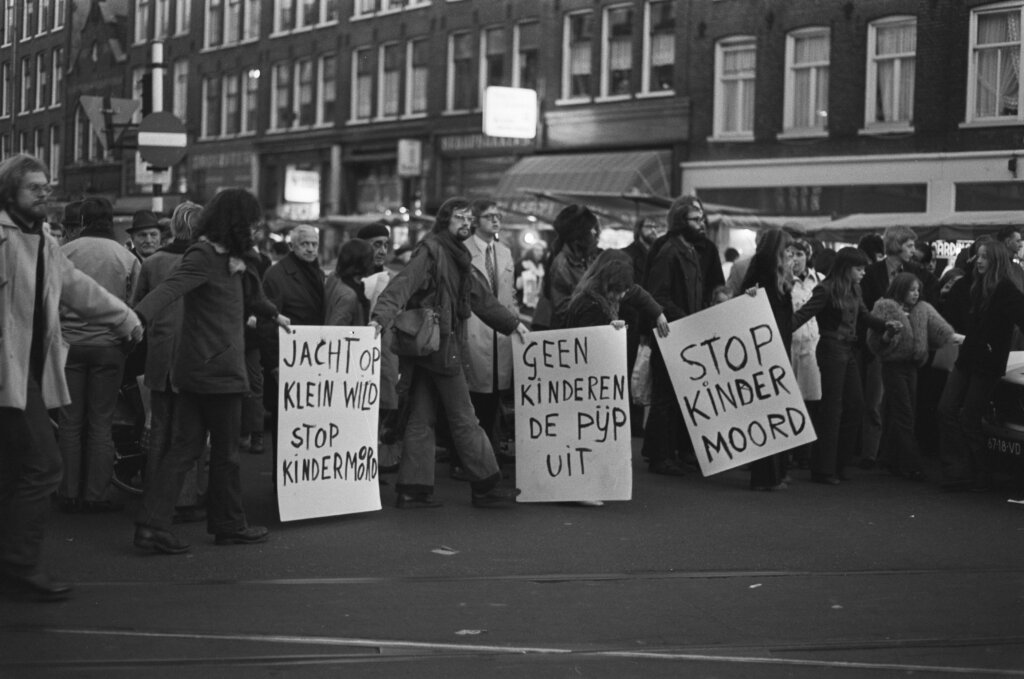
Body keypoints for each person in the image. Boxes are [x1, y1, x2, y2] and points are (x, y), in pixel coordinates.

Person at [0, 154, 142, 601]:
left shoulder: (40, 237)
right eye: (33, 188)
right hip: (8, 376)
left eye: (46, 186)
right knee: (43, 466)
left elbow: (75, 285)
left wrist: (124, 317)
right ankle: (20, 565)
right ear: (8, 194)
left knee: (14, 470)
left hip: (27, 373)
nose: (44, 193)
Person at [132, 188, 290, 554]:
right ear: (235, 222)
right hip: (214, 369)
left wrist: (273, 314)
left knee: (185, 448)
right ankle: (228, 524)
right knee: (225, 453)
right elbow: (172, 287)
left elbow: (250, 297)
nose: (255, 228)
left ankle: (153, 525)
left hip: (205, 368)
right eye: (250, 221)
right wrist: (136, 316)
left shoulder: (233, 257)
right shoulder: (204, 254)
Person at [369, 197, 529, 509]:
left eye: (469, 218)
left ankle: (413, 490)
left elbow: (478, 297)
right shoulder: (434, 251)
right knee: (465, 417)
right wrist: (379, 319)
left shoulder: (455, 253)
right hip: (441, 346)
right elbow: (403, 285)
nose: (466, 223)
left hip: (430, 347)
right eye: (460, 218)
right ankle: (486, 485)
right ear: (445, 220)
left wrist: (512, 325)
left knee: (421, 417)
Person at [56, 196, 142, 513]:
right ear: (111, 221)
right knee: (101, 423)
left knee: (70, 421)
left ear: (81, 221)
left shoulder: (62, 252)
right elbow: (133, 308)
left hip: (69, 346)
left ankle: (67, 491)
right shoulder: (126, 257)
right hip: (109, 347)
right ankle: (95, 493)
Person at [792, 247, 902, 486]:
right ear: (846, 268)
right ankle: (824, 469)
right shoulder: (826, 288)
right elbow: (802, 315)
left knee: (854, 405)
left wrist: (885, 325)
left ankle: (834, 465)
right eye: (859, 268)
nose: (864, 272)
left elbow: (863, 315)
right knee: (833, 408)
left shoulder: (852, 287)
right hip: (832, 349)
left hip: (846, 349)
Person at [133, 201, 205, 520]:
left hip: (160, 355)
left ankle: (155, 497)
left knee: (160, 429)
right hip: (196, 357)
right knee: (190, 433)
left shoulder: (153, 263)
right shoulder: (207, 262)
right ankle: (185, 499)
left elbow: (138, 307)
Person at [938, 239, 1024, 491]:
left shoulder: (1005, 288)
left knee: (969, 417)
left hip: (987, 360)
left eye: (985, 256)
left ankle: (973, 471)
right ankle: (963, 469)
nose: (980, 260)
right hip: (971, 356)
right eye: (979, 256)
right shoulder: (972, 284)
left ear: (996, 260)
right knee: (947, 410)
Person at [867, 272, 960, 481]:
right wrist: (888, 335)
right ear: (901, 289)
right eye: (912, 289)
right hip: (893, 366)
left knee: (903, 413)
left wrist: (960, 339)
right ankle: (911, 464)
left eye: (918, 290)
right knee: (904, 414)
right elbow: (874, 342)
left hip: (912, 367)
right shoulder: (885, 307)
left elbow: (942, 329)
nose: (916, 294)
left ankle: (891, 459)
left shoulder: (921, 309)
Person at [641, 196, 707, 476]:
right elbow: (659, 295)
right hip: (671, 333)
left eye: (701, 218)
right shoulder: (670, 251)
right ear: (681, 220)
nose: (701, 223)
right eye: (695, 218)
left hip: (681, 332)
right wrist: (686, 318)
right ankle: (660, 456)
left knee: (675, 395)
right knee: (665, 396)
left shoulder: (688, 249)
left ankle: (670, 453)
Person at [859, 226, 929, 469]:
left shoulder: (915, 272)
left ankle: (891, 455)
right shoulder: (871, 273)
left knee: (901, 405)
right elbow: (864, 310)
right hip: (879, 346)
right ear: (897, 245)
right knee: (876, 402)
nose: (913, 250)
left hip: (905, 351)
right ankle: (871, 453)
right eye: (909, 245)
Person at [460, 199, 518, 476]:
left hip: (501, 331)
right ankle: (470, 457)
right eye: (488, 216)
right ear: (475, 221)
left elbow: (511, 294)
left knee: (496, 392)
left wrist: (515, 321)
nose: (495, 221)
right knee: (474, 396)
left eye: (498, 215)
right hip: (473, 327)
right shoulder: (463, 251)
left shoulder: (505, 252)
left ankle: (490, 450)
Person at [739, 228, 797, 491]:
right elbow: (744, 295)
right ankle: (768, 475)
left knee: (774, 409)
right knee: (769, 410)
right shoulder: (765, 266)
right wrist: (750, 295)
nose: (790, 254)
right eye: (787, 249)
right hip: (765, 345)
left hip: (776, 343)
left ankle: (774, 473)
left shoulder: (781, 273)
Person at [790, 238, 823, 470]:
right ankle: (790, 452)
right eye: (790, 255)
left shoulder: (820, 280)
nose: (795, 260)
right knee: (791, 399)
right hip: (790, 345)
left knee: (812, 399)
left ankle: (807, 452)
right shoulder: (782, 281)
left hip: (813, 347)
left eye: (799, 255)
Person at [324, 239, 375, 326]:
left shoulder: (335, 278)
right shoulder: (348, 296)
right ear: (362, 262)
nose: (373, 263)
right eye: (370, 259)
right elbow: (337, 330)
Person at [356, 221, 393, 311]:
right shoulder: (345, 277)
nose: (383, 252)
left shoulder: (391, 279)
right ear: (362, 246)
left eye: (385, 245)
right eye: (377, 245)